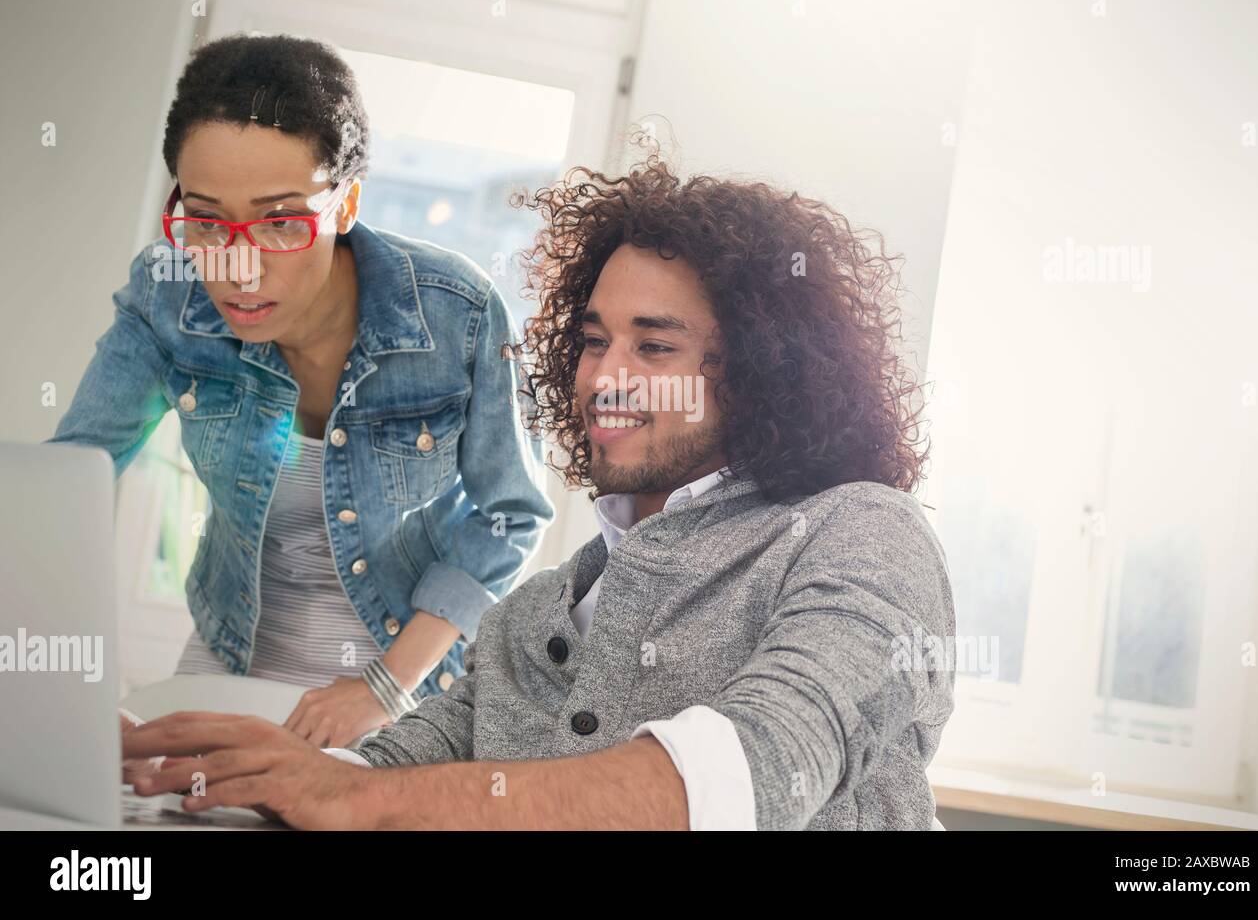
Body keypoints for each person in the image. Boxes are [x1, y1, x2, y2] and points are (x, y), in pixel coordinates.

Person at [123, 155, 955, 830]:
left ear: (762, 372)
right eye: (594, 341)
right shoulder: (534, 612)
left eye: (654, 347)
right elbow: (387, 771)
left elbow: (760, 770)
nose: (605, 378)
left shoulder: (862, 535)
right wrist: (240, 783)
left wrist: (352, 797)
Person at [49, 33, 553, 749]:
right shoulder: (167, 296)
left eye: (280, 221)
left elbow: (513, 514)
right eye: (206, 220)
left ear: (346, 204)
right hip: (230, 661)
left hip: (408, 685)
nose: (238, 267)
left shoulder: (458, 314)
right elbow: (72, 481)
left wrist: (384, 687)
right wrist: (59, 681)